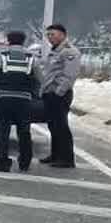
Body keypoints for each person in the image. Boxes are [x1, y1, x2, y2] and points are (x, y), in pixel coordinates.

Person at [0, 30, 38, 172]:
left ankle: (3, 162)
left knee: (3, 132)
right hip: (24, 100)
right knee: (24, 131)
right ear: (24, 41)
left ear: (8, 41)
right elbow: (40, 77)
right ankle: (24, 162)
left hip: (3, 98)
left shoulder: (1, 56)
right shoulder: (31, 58)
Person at [37, 22, 81, 168]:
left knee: (61, 126)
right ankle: (55, 154)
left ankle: (67, 159)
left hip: (60, 94)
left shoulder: (69, 52)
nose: (50, 38)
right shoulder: (54, 51)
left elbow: (70, 75)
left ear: (62, 35)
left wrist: (59, 92)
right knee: (52, 125)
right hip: (50, 93)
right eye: (48, 35)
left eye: (53, 34)